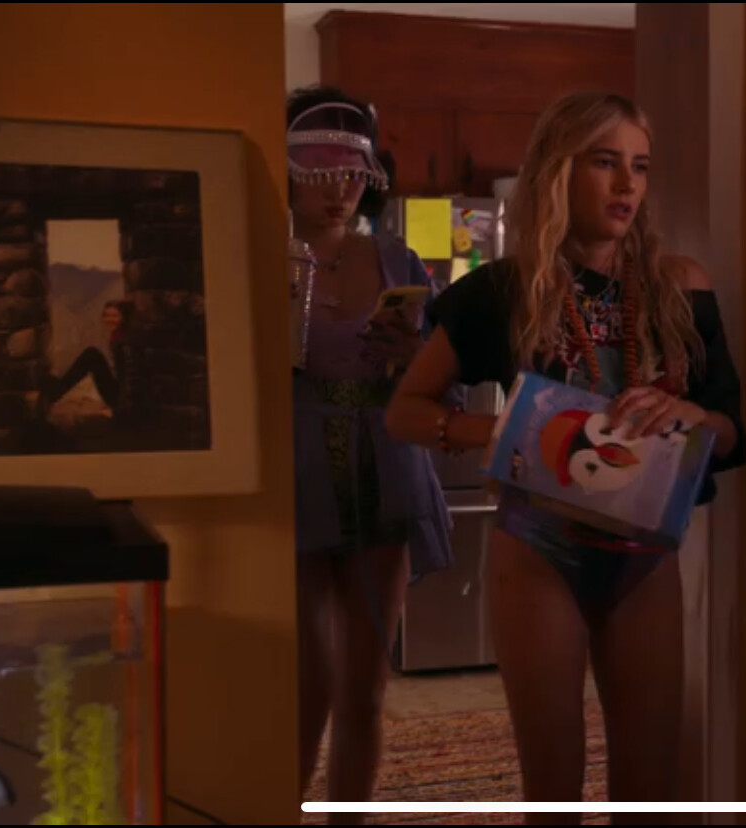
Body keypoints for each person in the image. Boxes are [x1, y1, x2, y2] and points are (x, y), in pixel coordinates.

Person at [383, 90, 746, 824]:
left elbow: (734, 430)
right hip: (538, 550)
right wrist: (495, 431)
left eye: (639, 166)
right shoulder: (501, 290)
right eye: (605, 162)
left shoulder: (681, 286)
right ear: (558, 168)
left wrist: (692, 416)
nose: (626, 185)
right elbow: (405, 411)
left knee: (649, 792)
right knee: (552, 789)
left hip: (646, 552)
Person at [285, 85, 455, 823]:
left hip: (384, 473)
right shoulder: (262, 256)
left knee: (365, 688)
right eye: (320, 176)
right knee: (304, 684)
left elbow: (439, 374)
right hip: (295, 475)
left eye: (351, 176)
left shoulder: (396, 258)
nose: (338, 192)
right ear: (290, 175)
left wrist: (414, 354)